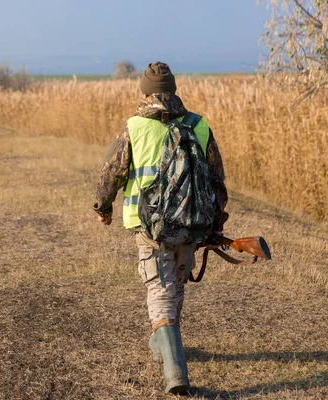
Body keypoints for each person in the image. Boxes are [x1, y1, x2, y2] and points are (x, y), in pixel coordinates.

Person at [93, 62, 229, 395]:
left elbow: (111, 173)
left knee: (159, 291)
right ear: (174, 90)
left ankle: (175, 374)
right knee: (175, 287)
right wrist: (215, 221)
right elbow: (217, 179)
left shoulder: (135, 126)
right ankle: (164, 350)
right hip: (192, 225)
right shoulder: (199, 124)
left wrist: (102, 207)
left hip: (149, 227)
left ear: (144, 91)